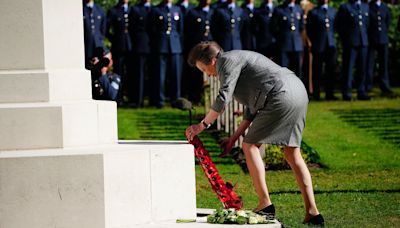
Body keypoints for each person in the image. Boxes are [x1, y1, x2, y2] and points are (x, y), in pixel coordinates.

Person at [185, 41, 324, 226]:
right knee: (292, 152)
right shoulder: (236, 59)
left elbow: (223, 97)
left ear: (211, 60)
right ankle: (312, 212)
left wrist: (201, 125)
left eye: (203, 68)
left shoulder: (226, 61)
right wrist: (234, 138)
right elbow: (251, 110)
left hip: (279, 95)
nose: (205, 73)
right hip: (297, 91)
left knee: (250, 146)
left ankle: (265, 203)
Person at [148, 0, 184, 108]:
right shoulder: (156, 10)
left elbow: (180, 29)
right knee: (160, 75)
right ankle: (160, 100)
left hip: (175, 46)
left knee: (176, 75)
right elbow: (151, 29)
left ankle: (176, 100)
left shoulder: (177, 9)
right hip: (161, 45)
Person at [335, 0, 370, 101]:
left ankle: (361, 91)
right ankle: (347, 92)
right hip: (350, 43)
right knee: (348, 69)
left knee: (362, 68)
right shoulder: (345, 7)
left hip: (363, 41)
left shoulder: (365, 6)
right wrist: (345, 39)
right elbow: (339, 25)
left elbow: (367, 24)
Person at [183, 0, 215, 104]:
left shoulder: (214, 12)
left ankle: (210, 98)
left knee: (211, 72)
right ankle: (195, 97)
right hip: (198, 48)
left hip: (211, 49)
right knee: (196, 74)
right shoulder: (192, 13)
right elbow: (188, 32)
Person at [306, 0, 338, 100]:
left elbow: (336, 27)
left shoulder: (333, 11)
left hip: (331, 44)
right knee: (317, 71)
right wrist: (315, 41)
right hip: (319, 45)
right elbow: (309, 29)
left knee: (330, 70)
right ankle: (316, 94)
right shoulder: (314, 12)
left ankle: (330, 93)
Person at [106, 0, 133, 105]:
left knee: (131, 73)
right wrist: (114, 39)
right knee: (118, 73)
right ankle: (119, 97)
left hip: (131, 47)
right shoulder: (113, 11)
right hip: (118, 47)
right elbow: (106, 29)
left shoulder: (132, 10)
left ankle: (131, 97)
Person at [271, 0, 305, 80]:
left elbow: (301, 27)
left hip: (296, 44)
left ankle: (298, 91)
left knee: (297, 71)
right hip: (284, 44)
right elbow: (273, 27)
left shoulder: (299, 9)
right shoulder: (279, 10)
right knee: (283, 71)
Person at [366, 0, 393, 96]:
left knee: (383, 64)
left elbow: (387, 21)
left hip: (383, 39)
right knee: (369, 64)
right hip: (371, 39)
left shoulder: (384, 7)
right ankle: (368, 85)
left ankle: (385, 85)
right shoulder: (369, 6)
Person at [129, 0, 153, 107]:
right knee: (139, 75)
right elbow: (131, 28)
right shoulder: (135, 9)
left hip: (156, 46)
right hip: (140, 45)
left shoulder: (155, 9)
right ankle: (139, 100)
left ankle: (155, 100)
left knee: (155, 75)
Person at [82, 0, 106, 69]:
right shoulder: (81, 9)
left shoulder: (99, 9)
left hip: (98, 45)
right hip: (86, 46)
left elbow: (103, 28)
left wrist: (100, 39)